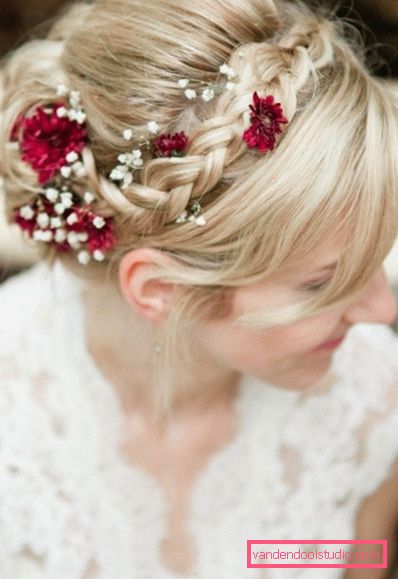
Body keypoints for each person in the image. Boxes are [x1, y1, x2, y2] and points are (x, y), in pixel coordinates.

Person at [1, 0, 398, 577]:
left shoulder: (374, 401)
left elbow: (363, 565)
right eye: (322, 283)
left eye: (375, 260)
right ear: (158, 288)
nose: (383, 310)